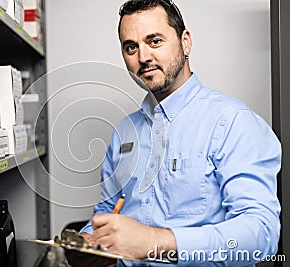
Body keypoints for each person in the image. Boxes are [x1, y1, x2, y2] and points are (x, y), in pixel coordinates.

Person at [77, 0, 282, 266]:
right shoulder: (123, 133)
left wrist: (155, 242)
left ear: (185, 42)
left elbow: (261, 235)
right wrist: (87, 242)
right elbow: (107, 211)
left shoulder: (233, 122)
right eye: (131, 47)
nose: (143, 57)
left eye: (154, 41)